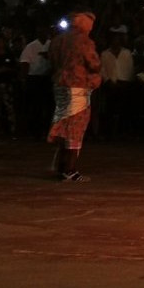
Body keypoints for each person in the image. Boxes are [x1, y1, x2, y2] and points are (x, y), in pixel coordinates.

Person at [47, 10, 102, 182]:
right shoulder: (84, 41)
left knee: (64, 123)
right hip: (77, 86)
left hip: (60, 85)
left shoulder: (57, 40)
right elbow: (94, 63)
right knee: (75, 127)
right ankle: (70, 170)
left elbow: (52, 61)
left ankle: (61, 167)